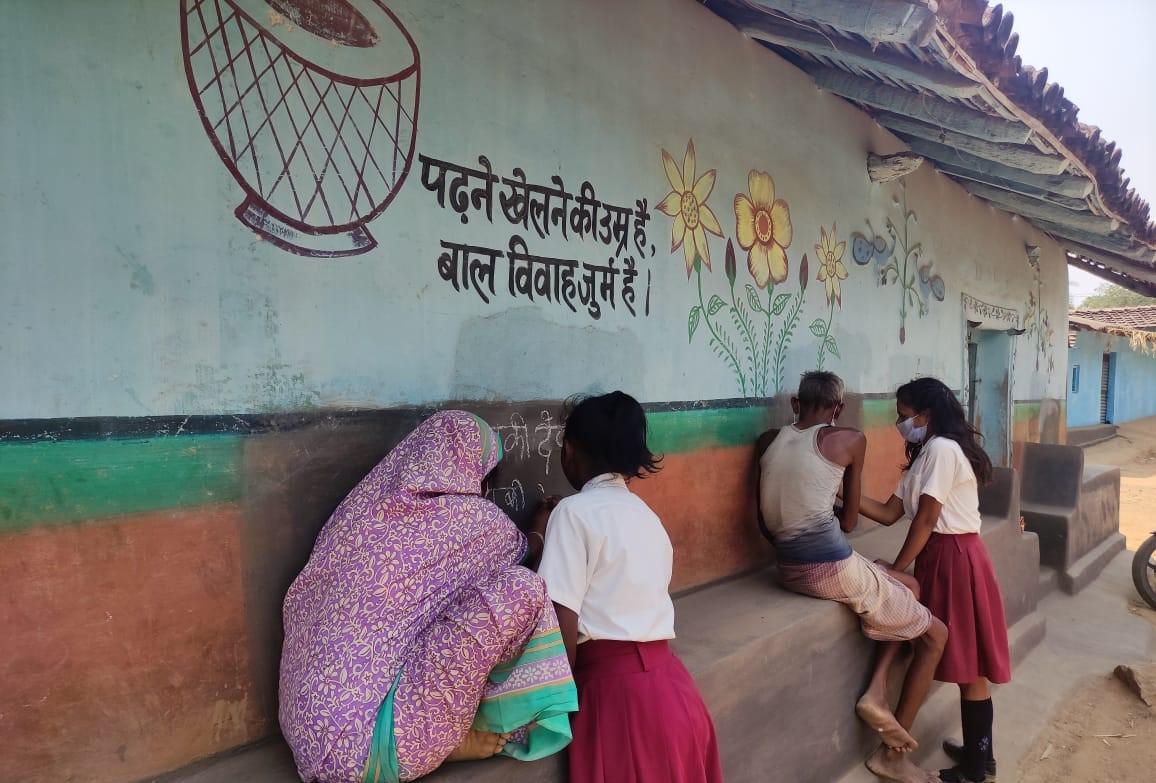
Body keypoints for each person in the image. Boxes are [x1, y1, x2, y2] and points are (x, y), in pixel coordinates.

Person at [279, 411, 577, 783]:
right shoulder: (476, 521)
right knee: (522, 590)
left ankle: (435, 737)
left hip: (303, 730)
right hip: (368, 749)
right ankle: (461, 735)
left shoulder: (358, 513)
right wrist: (540, 527)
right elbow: (523, 552)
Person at [756, 371, 948, 783]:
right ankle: (891, 756)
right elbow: (847, 523)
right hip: (828, 566)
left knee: (906, 585)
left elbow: (763, 523)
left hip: (786, 568)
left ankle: (876, 689)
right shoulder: (851, 440)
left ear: (795, 403)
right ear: (838, 409)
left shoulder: (768, 441)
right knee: (936, 636)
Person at [528, 391, 723, 783]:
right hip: (676, 691)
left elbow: (560, 635)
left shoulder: (571, 513)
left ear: (569, 450)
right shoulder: (647, 516)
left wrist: (536, 712)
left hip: (620, 704)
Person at [860, 377, 1011, 783]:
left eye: (903, 415)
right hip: (941, 558)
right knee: (968, 662)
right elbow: (890, 513)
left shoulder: (943, 450)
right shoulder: (926, 454)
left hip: (955, 558)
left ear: (925, 416)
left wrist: (896, 568)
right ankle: (983, 755)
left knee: (970, 668)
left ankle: (976, 770)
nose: (899, 422)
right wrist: (839, 492)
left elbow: (927, 518)